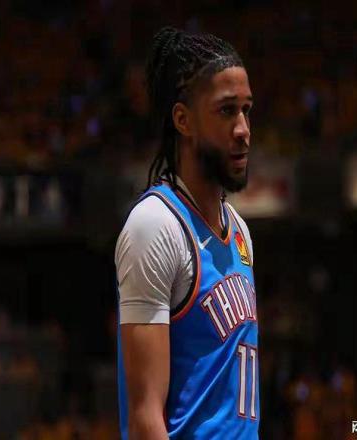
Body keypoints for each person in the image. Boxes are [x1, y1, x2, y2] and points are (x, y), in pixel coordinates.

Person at [115, 26, 259, 439]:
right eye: (226, 111)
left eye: (246, 110)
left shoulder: (240, 231)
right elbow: (145, 418)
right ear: (183, 120)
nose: (243, 129)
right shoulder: (155, 226)